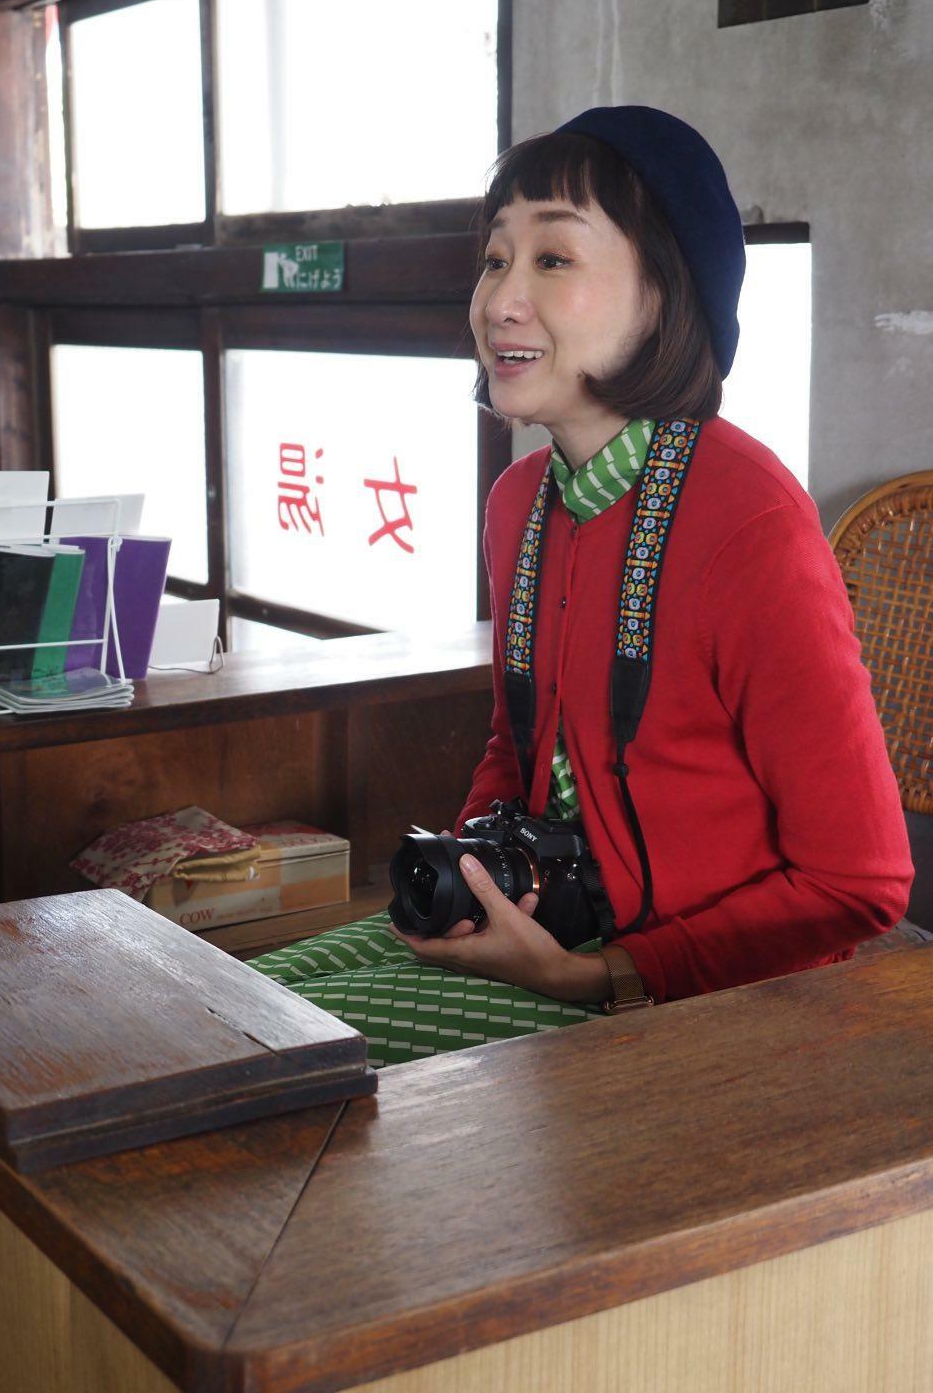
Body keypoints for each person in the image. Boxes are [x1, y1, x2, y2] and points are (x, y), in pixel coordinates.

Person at [251, 106, 911, 1064]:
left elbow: (862, 880)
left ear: (662, 295)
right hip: (555, 929)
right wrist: (474, 880)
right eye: (493, 261)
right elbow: (519, 745)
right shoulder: (522, 500)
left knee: (263, 1054)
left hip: (708, 992)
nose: (501, 302)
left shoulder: (751, 516)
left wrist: (603, 978)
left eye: (553, 262)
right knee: (232, 998)